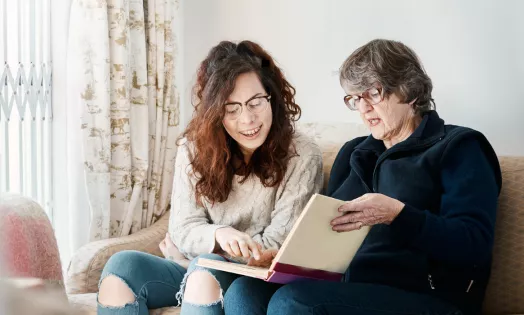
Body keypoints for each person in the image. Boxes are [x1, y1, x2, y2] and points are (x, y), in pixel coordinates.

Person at [227, 39, 502, 315]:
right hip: (353, 291)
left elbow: (473, 244)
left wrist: (397, 215)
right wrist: (286, 260)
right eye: (355, 98)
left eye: (373, 93)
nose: (363, 107)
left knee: (293, 302)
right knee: (244, 290)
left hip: (430, 298)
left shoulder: (460, 147)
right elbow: (327, 239)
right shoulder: (354, 153)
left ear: (409, 90)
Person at [96, 40, 323, 315]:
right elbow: (182, 226)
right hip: (196, 266)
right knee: (121, 268)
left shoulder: (302, 156)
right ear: (217, 113)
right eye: (232, 109)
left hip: (248, 280)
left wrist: (196, 256)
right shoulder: (193, 148)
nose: (247, 119)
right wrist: (218, 234)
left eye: (255, 103)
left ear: (271, 97)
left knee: (202, 270)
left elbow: (277, 247)